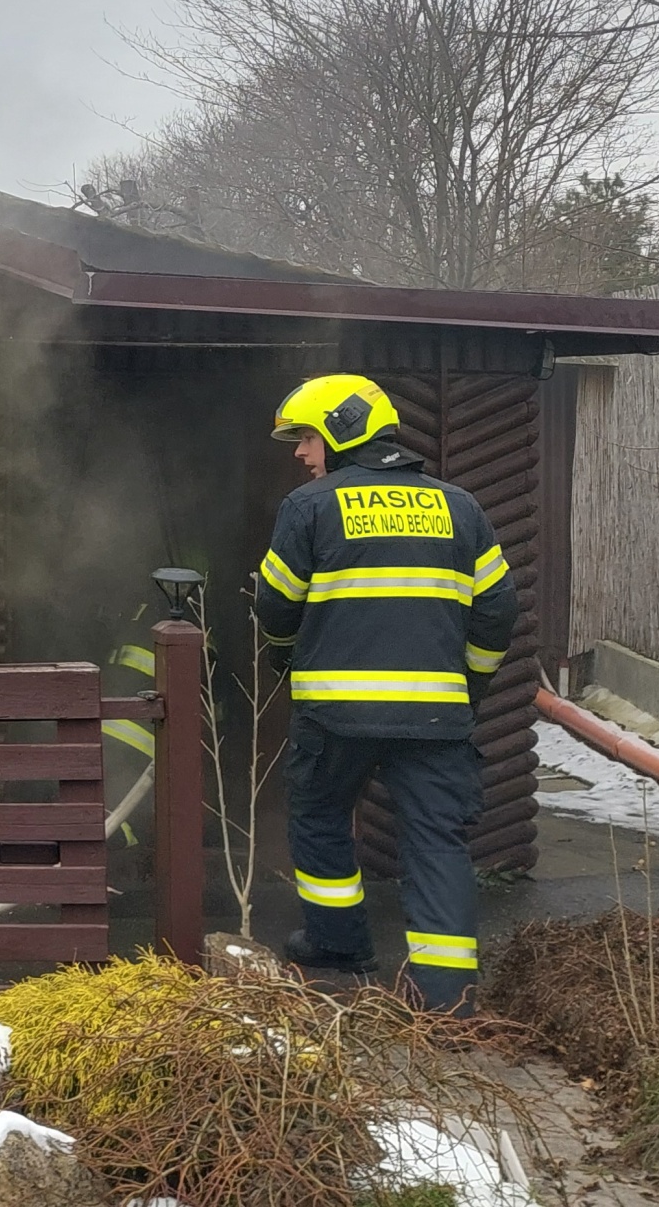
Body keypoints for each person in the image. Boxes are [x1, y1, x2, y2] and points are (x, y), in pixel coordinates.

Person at [256, 374, 516, 1012]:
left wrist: (285, 653)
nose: (300, 452)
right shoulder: (459, 507)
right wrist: (471, 684)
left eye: (307, 436)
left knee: (320, 818)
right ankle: (447, 996)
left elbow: (275, 605)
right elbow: (498, 612)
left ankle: (339, 945)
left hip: (334, 716)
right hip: (436, 717)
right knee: (436, 841)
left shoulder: (310, 507)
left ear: (343, 430)